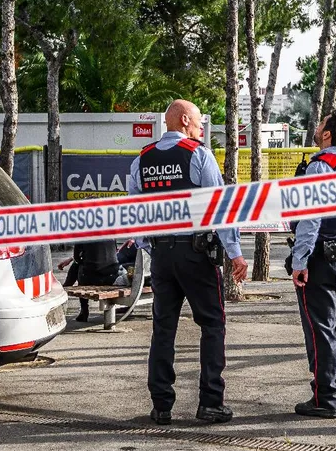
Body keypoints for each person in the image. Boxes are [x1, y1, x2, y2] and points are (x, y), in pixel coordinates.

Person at [130, 99, 248, 426]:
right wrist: (234, 252)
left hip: (163, 257)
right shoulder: (198, 154)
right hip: (196, 255)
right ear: (184, 120)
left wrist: (151, 248)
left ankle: (161, 406)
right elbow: (220, 207)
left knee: (163, 329)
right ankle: (210, 402)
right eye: (198, 123)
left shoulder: (142, 159)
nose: (200, 129)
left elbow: (134, 216)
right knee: (212, 324)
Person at [289, 108, 336, 419]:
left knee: (322, 327)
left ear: (327, 135)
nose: (317, 127)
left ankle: (325, 398)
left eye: (320, 124)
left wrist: (300, 260)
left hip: (324, 256)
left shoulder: (320, 167)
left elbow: (310, 219)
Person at [57, 241, 120, 322]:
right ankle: (66, 286)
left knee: (77, 266)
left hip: (92, 278)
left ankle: (84, 309)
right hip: (111, 277)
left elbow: (77, 258)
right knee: (82, 265)